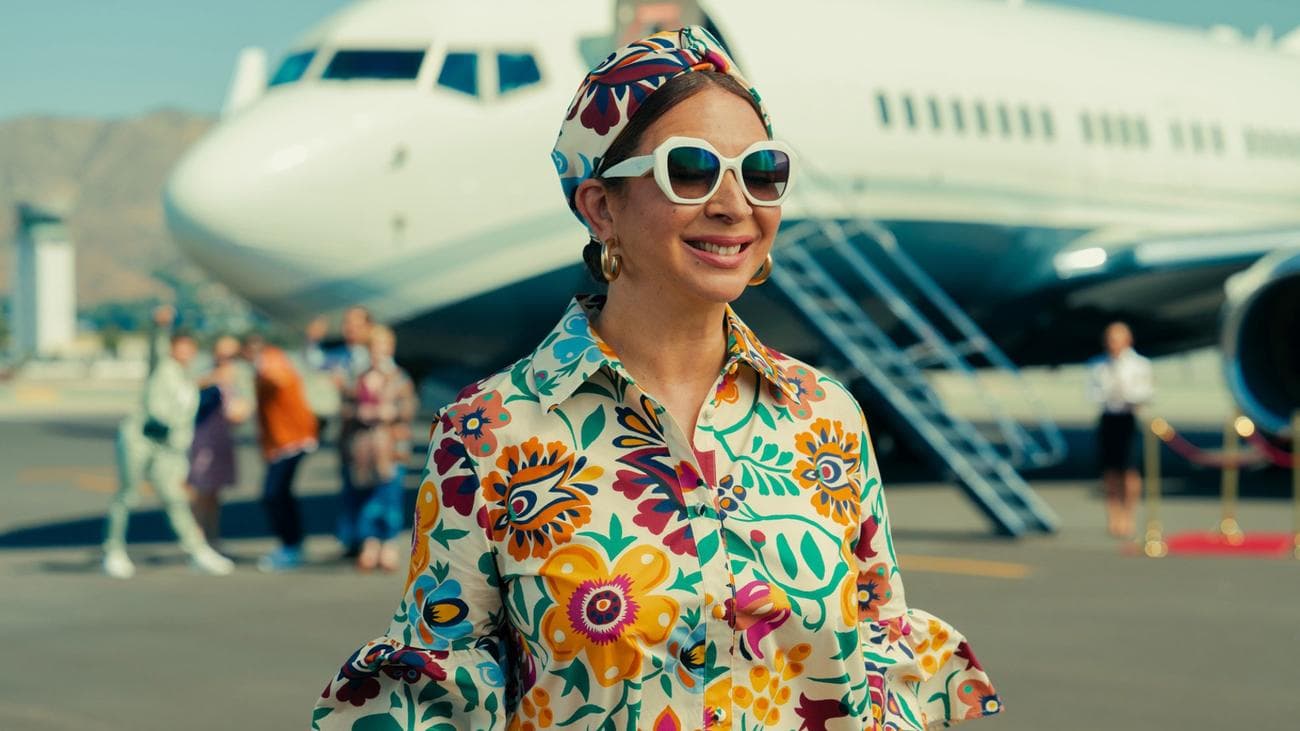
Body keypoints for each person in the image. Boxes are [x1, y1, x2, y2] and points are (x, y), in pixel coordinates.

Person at [314, 28, 999, 730]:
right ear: (600, 206)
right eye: (692, 170)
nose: (736, 204)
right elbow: (442, 697)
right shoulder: (486, 433)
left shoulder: (827, 417)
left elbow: (879, 667)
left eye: (762, 171)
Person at [102, 313, 234, 578]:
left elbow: (187, 403)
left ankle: (197, 550)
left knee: (175, 498)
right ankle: (114, 550)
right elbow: (156, 349)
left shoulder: (188, 380)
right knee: (128, 495)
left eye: (190, 347)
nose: (184, 352)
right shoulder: (161, 366)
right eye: (179, 346)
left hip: (167, 448)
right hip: (140, 438)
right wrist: (160, 327)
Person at [342, 325, 416, 572]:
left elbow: (409, 408)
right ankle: (370, 543)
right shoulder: (359, 378)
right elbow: (344, 408)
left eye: (382, 348)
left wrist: (391, 412)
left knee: (389, 495)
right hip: (364, 448)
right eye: (373, 349)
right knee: (365, 496)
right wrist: (358, 412)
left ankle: (389, 544)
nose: (378, 354)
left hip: (391, 447)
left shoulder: (399, 378)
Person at [244, 334, 320, 572]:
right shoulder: (268, 365)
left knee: (273, 494)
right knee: (281, 494)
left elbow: (280, 380)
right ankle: (293, 543)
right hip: (282, 442)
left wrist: (264, 369)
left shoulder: (271, 362)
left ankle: (291, 544)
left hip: (291, 440)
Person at [305, 306, 373, 557]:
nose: (350, 329)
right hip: (348, 431)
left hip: (370, 431)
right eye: (347, 324)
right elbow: (315, 362)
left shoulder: (374, 355)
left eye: (356, 324)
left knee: (373, 485)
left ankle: (370, 539)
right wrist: (312, 339)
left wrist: (346, 388)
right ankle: (352, 539)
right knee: (349, 484)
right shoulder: (341, 356)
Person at [1087, 321, 1154, 538]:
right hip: (1108, 417)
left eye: (1117, 339)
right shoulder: (1097, 365)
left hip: (1128, 417)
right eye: (1110, 339)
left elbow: (1147, 393)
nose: (1113, 344)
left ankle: (1129, 516)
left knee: (1129, 469)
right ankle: (1113, 516)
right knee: (1110, 470)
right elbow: (1092, 393)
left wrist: (1127, 394)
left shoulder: (1140, 364)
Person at [188, 335, 253, 548]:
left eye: (231, 355)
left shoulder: (240, 376)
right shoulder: (204, 374)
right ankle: (197, 540)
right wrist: (214, 378)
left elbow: (246, 405)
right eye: (222, 354)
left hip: (223, 439)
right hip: (203, 437)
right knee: (200, 490)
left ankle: (213, 537)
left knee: (215, 492)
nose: (226, 359)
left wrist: (243, 409)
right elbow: (188, 393)